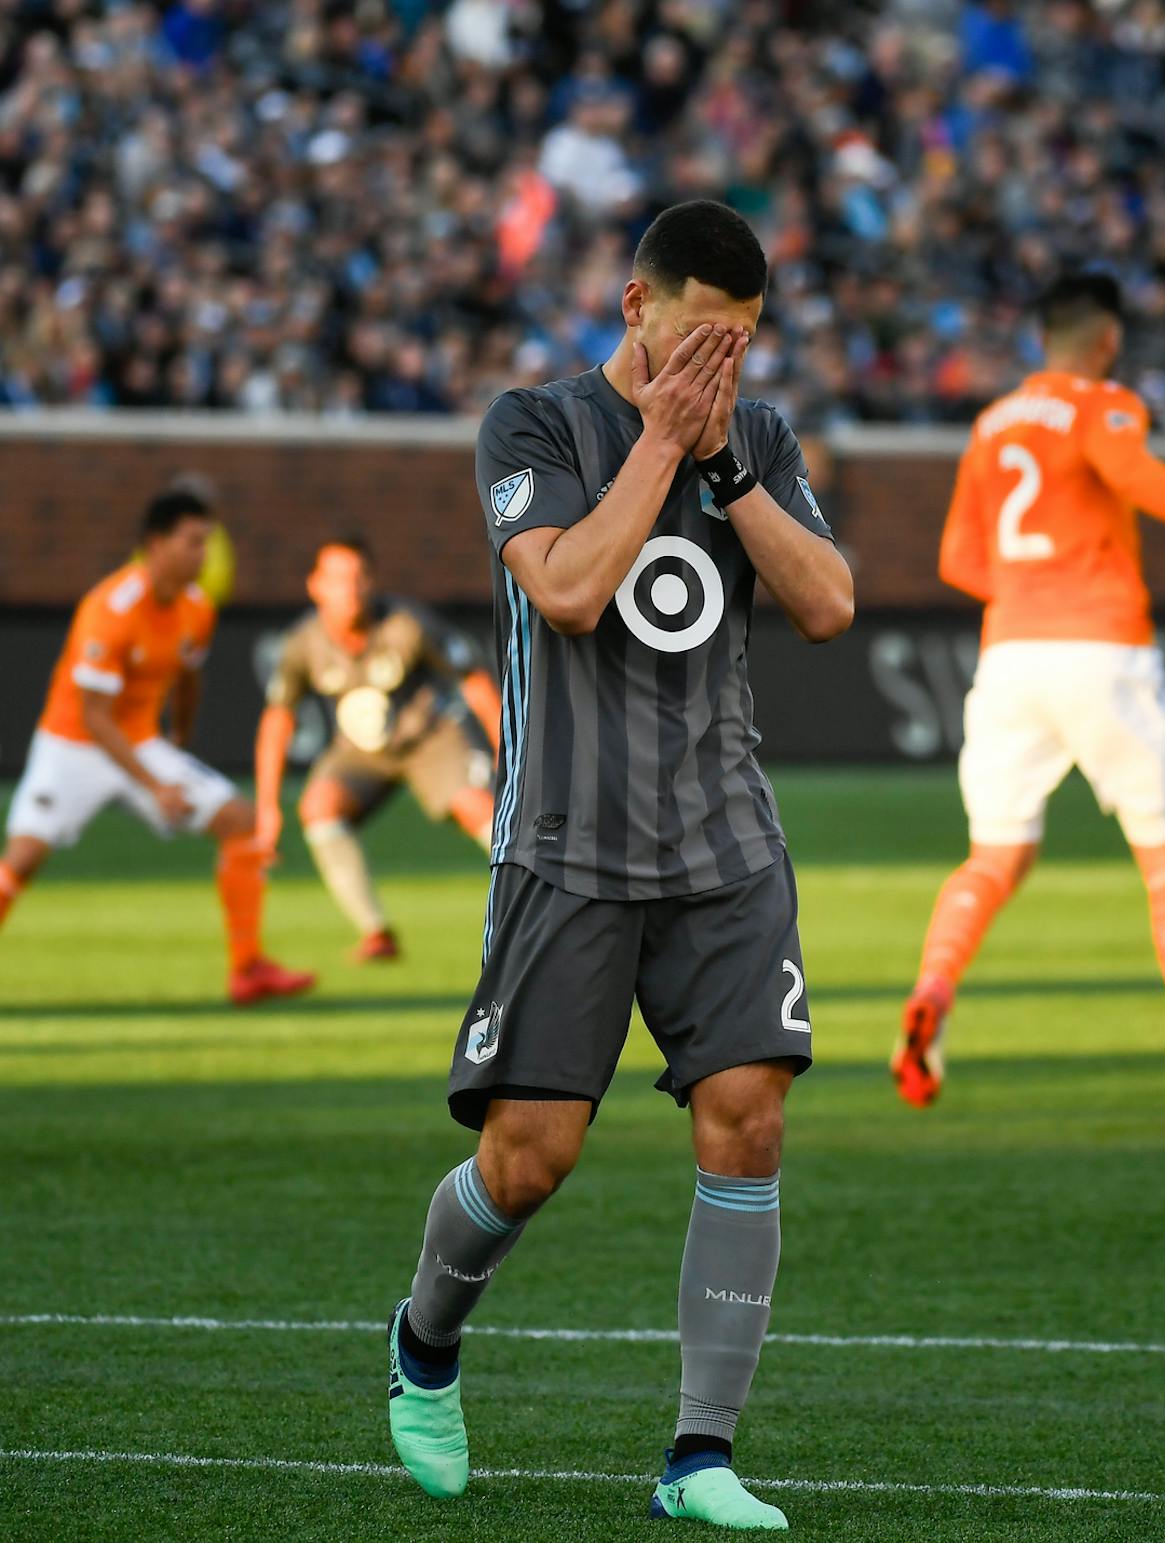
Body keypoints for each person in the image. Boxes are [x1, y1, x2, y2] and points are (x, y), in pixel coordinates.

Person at [385, 200, 854, 1532]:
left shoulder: (758, 439)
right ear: (636, 306)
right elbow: (571, 590)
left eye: (742, 343)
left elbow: (829, 604)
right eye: (703, 337)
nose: (722, 367)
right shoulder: (532, 426)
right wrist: (662, 443)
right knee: (530, 1157)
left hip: (723, 843)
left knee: (749, 1114)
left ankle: (699, 1455)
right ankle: (424, 1339)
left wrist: (728, 466)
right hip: (567, 845)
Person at [893, 273, 1165, 1126]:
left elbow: (957, 560)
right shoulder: (1104, 405)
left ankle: (933, 991)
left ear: (1040, 341)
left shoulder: (992, 422)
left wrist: (1032, 591)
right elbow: (1135, 474)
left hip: (1012, 654)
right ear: (1109, 341)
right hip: (1102, 645)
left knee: (994, 857)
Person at [0, 489, 315, 1013]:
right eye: (193, 542)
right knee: (24, 856)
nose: (203, 555)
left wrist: (179, 742)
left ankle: (247, 969)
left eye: (207, 543)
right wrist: (157, 785)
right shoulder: (110, 609)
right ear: (156, 544)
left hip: (139, 743)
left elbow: (188, 676)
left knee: (240, 821)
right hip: (73, 745)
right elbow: (94, 716)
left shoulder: (196, 608)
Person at [254, 537, 501, 960]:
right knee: (318, 806)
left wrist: (506, 749)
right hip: (360, 752)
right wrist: (267, 808)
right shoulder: (303, 643)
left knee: (479, 807)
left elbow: (474, 679)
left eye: (357, 578)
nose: (348, 589)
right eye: (336, 579)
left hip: (430, 738)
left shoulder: (406, 623)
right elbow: (277, 721)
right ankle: (376, 932)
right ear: (315, 585)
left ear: (371, 581)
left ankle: (539, 903)